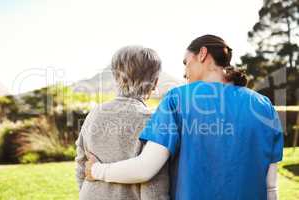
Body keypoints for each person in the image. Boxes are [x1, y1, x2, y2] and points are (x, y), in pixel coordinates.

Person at [85, 35, 284, 200]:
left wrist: (97, 170)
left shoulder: (177, 99)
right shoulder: (264, 106)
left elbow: (146, 168)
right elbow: (271, 188)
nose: (184, 72)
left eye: (185, 62)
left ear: (203, 54)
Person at [75, 46, 170, 200]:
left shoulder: (94, 114)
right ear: (155, 82)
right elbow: (154, 184)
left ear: (115, 77)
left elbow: (81, 166)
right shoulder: (153, 121)